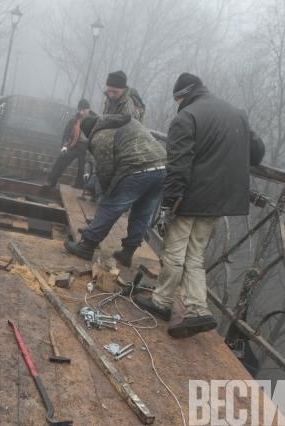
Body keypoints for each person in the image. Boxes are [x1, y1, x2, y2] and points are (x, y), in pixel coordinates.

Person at [134, 73, 265, 339]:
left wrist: (170, 202)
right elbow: (258, 152)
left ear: (182, 95)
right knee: (195, 253)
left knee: (175, 250)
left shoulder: (187, 117)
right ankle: (197, 308)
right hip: (222, 198)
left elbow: (178, 165)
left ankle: (162, 302)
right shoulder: (236, 113)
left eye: (177, 99)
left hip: (192, 196)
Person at [64, 113, 166, 265]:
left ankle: (87, 245)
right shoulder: (121, 122)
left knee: (110, 205)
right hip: (163, 168)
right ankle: (127, 253)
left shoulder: (100, 135)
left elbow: (105, 171)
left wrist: (106, 194)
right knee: (142, 213)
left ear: (89, 132)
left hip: (137, 168)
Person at [43, 99, 95, 189]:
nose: (82, 113)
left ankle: (80, 187)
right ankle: (51, 181)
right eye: (80, 110)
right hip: (76, 145)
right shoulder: (74, 120)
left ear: (88, 109)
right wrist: (64, 146)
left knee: (85, 169)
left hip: (88, 149)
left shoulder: (96, 121)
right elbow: (66, 134)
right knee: (62, 158)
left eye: (84, 110)